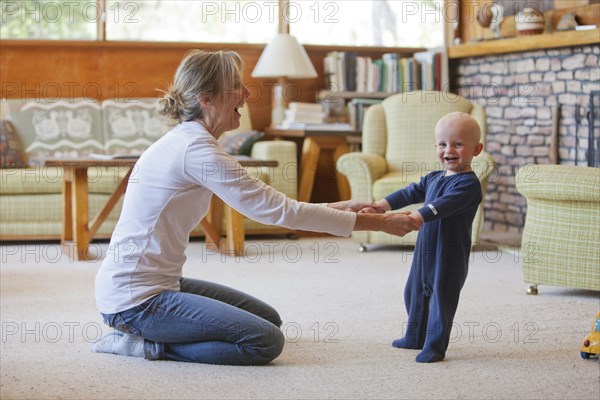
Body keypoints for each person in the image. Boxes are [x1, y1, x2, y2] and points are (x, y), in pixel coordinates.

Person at [91, 49, 420, 366]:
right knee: (263, 341)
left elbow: (279, 206)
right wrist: (378, 225)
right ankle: (145, 345)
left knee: (269, 320)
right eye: (235, 86)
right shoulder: (195, 150)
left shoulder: (193, 142)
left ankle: (157, 335)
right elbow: (280, 213)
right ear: (206, 97)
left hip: (158, 285)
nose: (246, 93)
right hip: (136, 301)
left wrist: (346, 206)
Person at [360, 111, 484, 363]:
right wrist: (381, 206)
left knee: (441, 298)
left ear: (476, 149)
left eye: (458, 144)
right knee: (415, 291)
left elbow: (443, 204)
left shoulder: (469, 185)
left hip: (449, 255)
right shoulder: (433, 178)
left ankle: (435, 345)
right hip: (425, 251)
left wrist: (416, 217)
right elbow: (410, 192)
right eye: (442, 144)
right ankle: (414, 335)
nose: (449, 150)